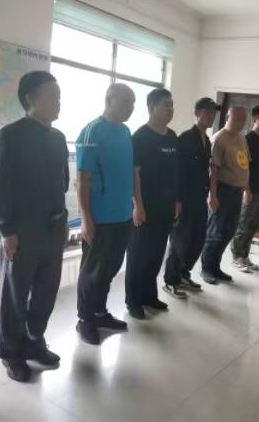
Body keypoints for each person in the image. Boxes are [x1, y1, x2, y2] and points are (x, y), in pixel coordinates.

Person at [0, 71, 69, 383]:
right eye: (52, 96)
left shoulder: (58, 138)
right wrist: (7, 230)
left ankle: (35, 341)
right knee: (15, 294)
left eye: (59, 96)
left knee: (46, 292)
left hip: (54, 226)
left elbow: (63, 183)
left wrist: (63, 220)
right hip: (22, 230)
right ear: (30, 98)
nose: (59, 102)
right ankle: (11, 352)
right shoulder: (10, 136)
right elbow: (1, 187)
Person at [75, 83, 136, 345]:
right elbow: (82, 180)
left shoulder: (125, 131)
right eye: (126, 102)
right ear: (109, 100)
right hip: (99, 217)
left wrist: (136, 204)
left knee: (111, 267)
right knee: (92, 272)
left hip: (123, 215)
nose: (131, 108)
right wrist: (86, 218)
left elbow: (130, 171)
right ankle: (85, 319)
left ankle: (99, 313)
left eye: (133, 103)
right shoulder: (92, 131)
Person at [125, 88, 180, 319]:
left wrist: (177, 201)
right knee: (138, 256)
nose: (170, 109)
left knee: (156, 254)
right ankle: (133, 300)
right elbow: (134, 174)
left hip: (166, 207)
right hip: (145, 207)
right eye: (166, 105)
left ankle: (149, 295)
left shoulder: (172, 136)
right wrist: (137, 206)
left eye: (171, 105)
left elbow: (176, 172)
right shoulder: (140, 137)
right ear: (151, 107)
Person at [163, 97, 216, 298]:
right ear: (197, 113)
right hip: (184, 200)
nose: (211, 116)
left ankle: (183, 274)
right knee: (180, 241)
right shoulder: (185, 139)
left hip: (200, 199)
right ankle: (170, 281)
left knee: (198, 240)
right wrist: (177, 200)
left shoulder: (207, 141)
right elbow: (177, 172)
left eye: (213, 112)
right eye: (207, 112)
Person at [201, 106, 250, 285]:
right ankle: (207, 268)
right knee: (215, 232)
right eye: (237, 119)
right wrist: (212, 195)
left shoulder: (241, 138)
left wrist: (247, 189)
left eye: (243, 119)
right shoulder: (219, 139)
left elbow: (245, 166)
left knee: (229, 231)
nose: (241, 123)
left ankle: (216, 266)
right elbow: (213, 169)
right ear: (227, 117)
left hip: (237, 192)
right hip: (222, 191)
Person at [231, 105, 259, 273]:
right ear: (255, 119)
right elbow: (244, 167)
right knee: (244, 224)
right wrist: (246, 190)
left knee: (254, 225)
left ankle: (245, 255)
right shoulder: (247, 139)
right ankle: (237, 257)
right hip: (251, 190)